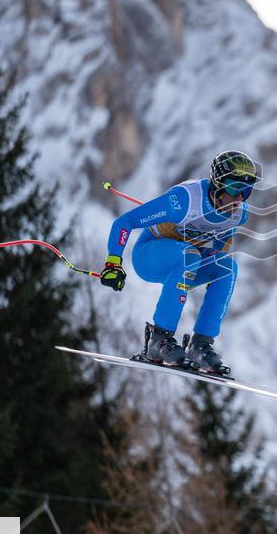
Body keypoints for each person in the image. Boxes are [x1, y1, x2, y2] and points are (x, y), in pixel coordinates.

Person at [99, 150, 259, 375]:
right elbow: (124, 222)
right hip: (148, 257)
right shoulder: (184, 201)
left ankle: (200, 345)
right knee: (190, 254)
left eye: (247, 191)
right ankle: (159, 340)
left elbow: (218, 249)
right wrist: (113, 264)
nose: (239, 198)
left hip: (184, 262)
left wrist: (202, 275)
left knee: (227, 266)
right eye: (234, 188)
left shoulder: (238, 214)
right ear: (218, 184)